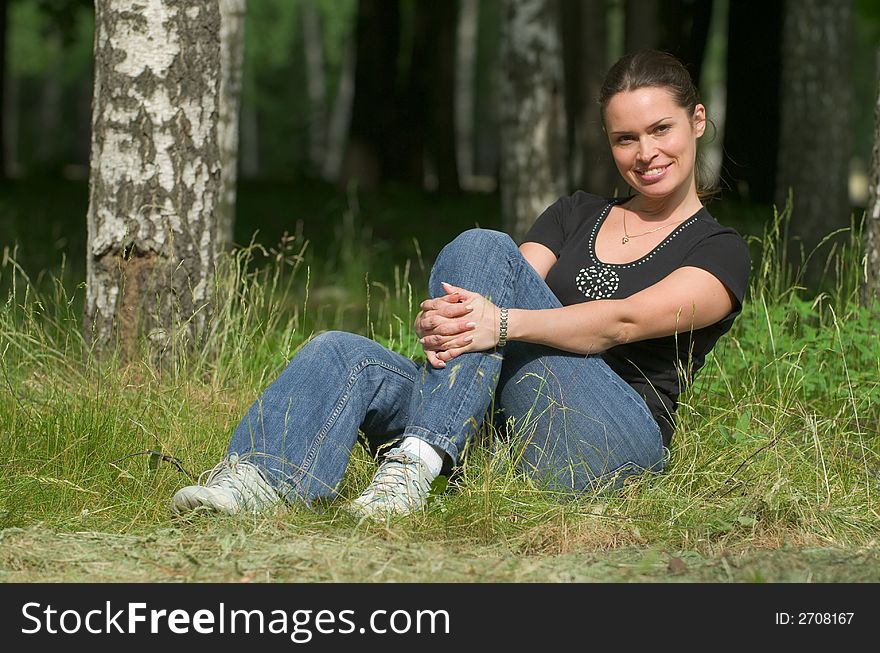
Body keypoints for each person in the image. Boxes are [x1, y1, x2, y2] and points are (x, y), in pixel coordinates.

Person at [170, 50, 751, 519]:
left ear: (697, 121)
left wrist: (502, 323)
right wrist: (449, 322)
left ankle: (416, 461)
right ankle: (261, 479)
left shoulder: (719, 251)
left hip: (610, 441)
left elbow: (622, 321)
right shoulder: (578, 212)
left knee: (483, 247)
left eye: (661, 129)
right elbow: (491, 288)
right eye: (625, 138)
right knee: (340, 352)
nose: (645, 153)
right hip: (503, 428)